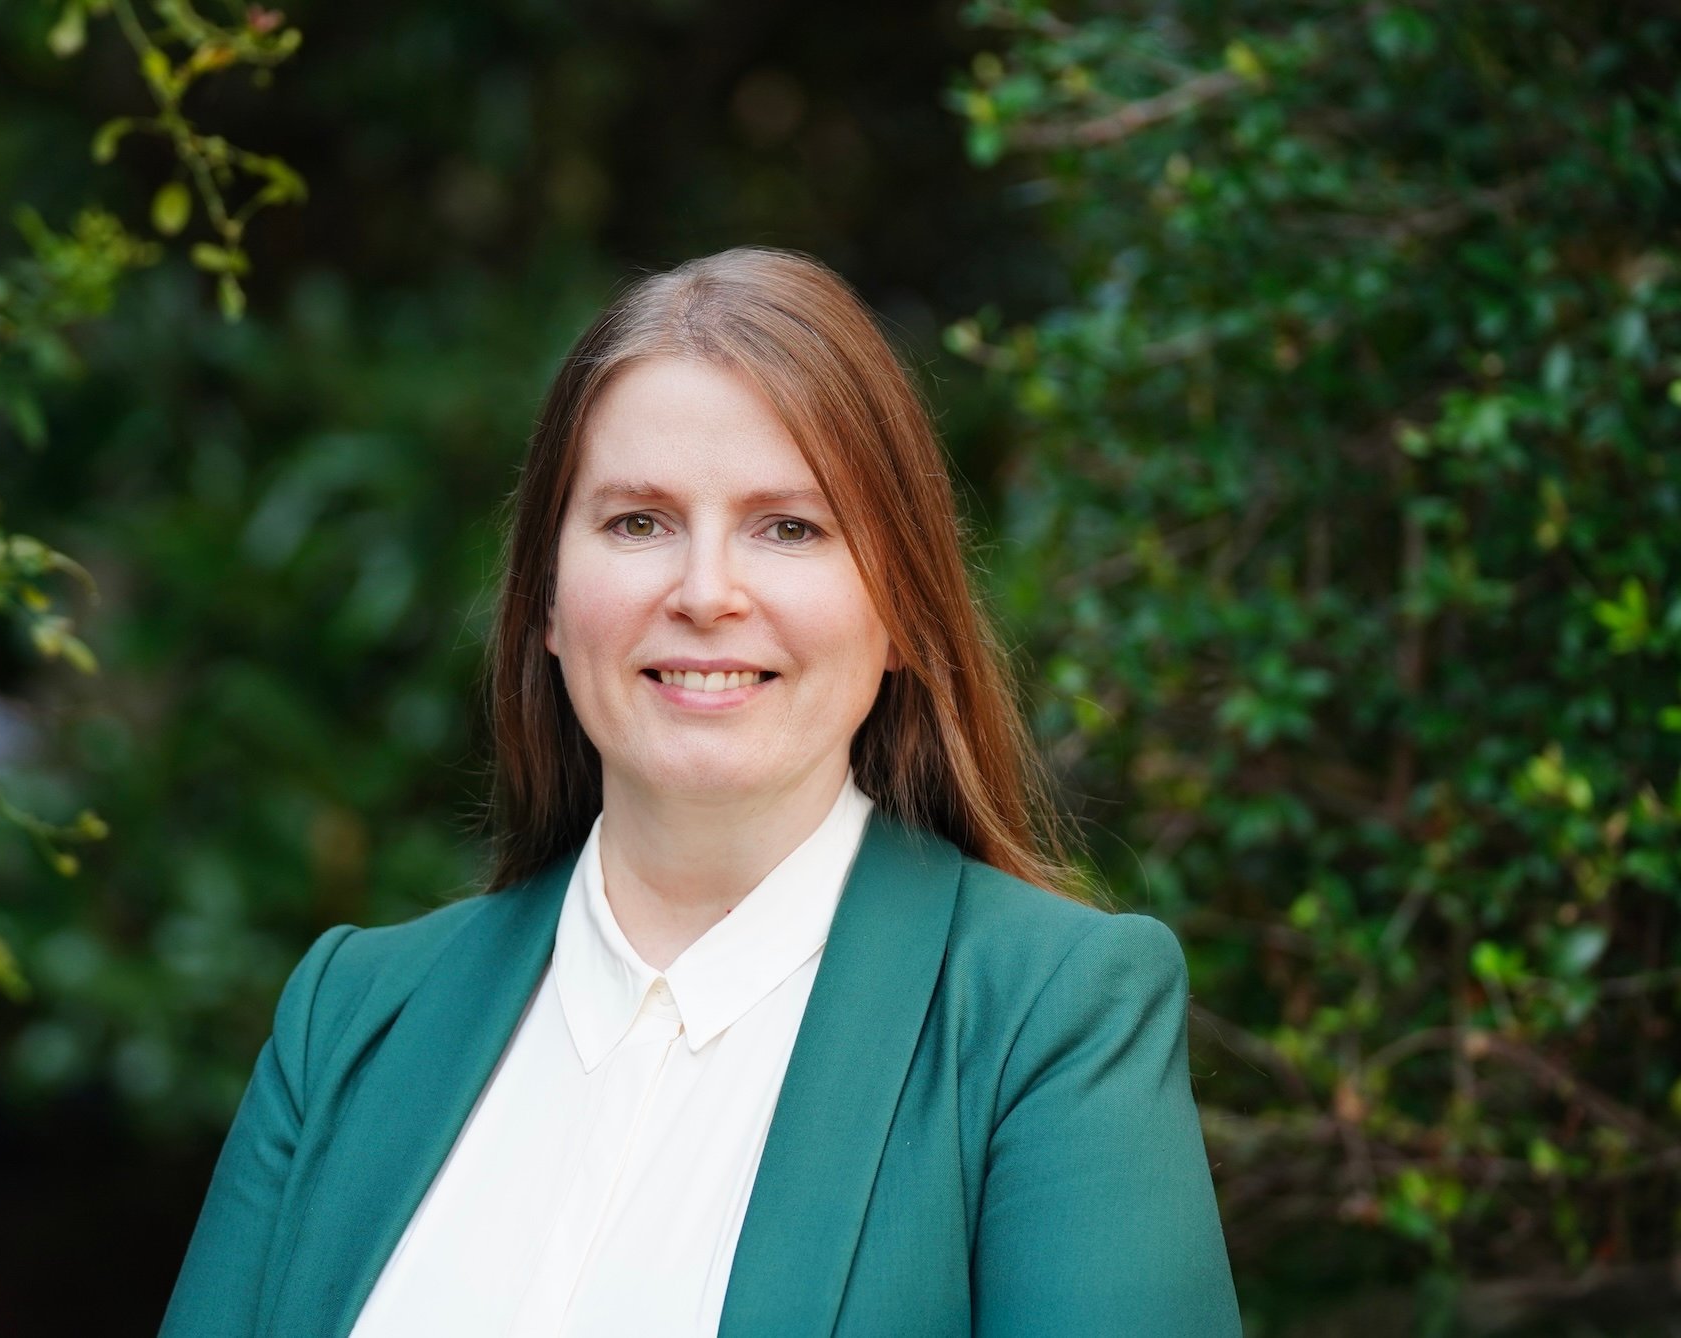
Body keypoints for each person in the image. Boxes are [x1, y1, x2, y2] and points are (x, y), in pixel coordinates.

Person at [157, 246, 1242, 1337]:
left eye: (789, 528)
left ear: (902, 609)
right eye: (639, 522)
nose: (705, 593)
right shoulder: (351, 1020)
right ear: (543, 595)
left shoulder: (1045, 1018)